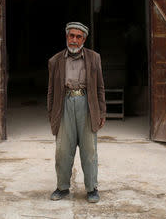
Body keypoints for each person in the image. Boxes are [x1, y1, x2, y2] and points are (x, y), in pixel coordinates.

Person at [47, 22, 106, 203]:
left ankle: (91, 189)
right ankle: (62, 187)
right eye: (71, 36)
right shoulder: (55, 60)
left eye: (78, 37)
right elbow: (50, 90)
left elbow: (100, 87)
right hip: (64, 105)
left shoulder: (94, 58)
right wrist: (51, 113)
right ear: (66, 36)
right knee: (63, 150)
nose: (74, 40)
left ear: (84, 39)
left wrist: (101, 113)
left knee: (89, 150)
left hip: (87, 105)